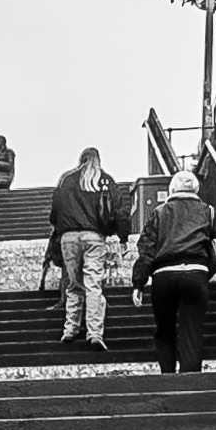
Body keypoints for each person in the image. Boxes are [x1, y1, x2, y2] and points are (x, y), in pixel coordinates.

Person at [133, 179, 216, 372]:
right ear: (196, 189)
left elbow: (146, 249)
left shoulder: (159, 213)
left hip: (164, 276)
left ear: (172, 189)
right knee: (192, 332)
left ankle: (168, 377)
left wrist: (139, 282)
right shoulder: (209, 212)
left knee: (165, 330)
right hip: (196, 275)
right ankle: (190, 380)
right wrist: (206, 266)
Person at [43, 148, 136, 347]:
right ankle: (94, 333)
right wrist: (123, 238)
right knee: (93, 285)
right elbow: (120, 212)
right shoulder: (105, 180)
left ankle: (70, 329)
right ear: (98, 160)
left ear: (81, 159)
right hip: (94, 237)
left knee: (73, 284)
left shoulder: (66, 180)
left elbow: (54, 212)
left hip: (68, 237)